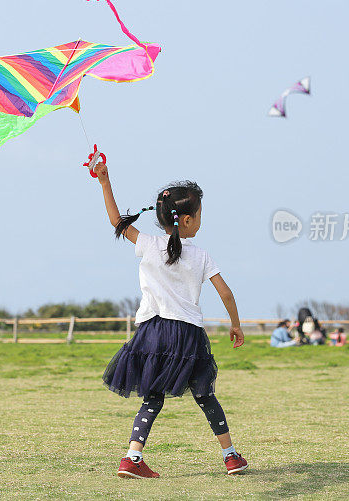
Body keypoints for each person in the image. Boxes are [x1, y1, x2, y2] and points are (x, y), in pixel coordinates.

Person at [93, 163, 248, 478]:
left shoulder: (148, 244)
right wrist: (236, 324)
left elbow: (116, 222)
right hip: (187, 334)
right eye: (200, 216)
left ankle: (132, 458)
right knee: (204, 394)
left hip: (151, 331)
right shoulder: (201, 255)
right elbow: (227, 294)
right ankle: (230, 456)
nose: (201, 222)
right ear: (188, 220)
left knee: (153, 396)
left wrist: (105, 181)